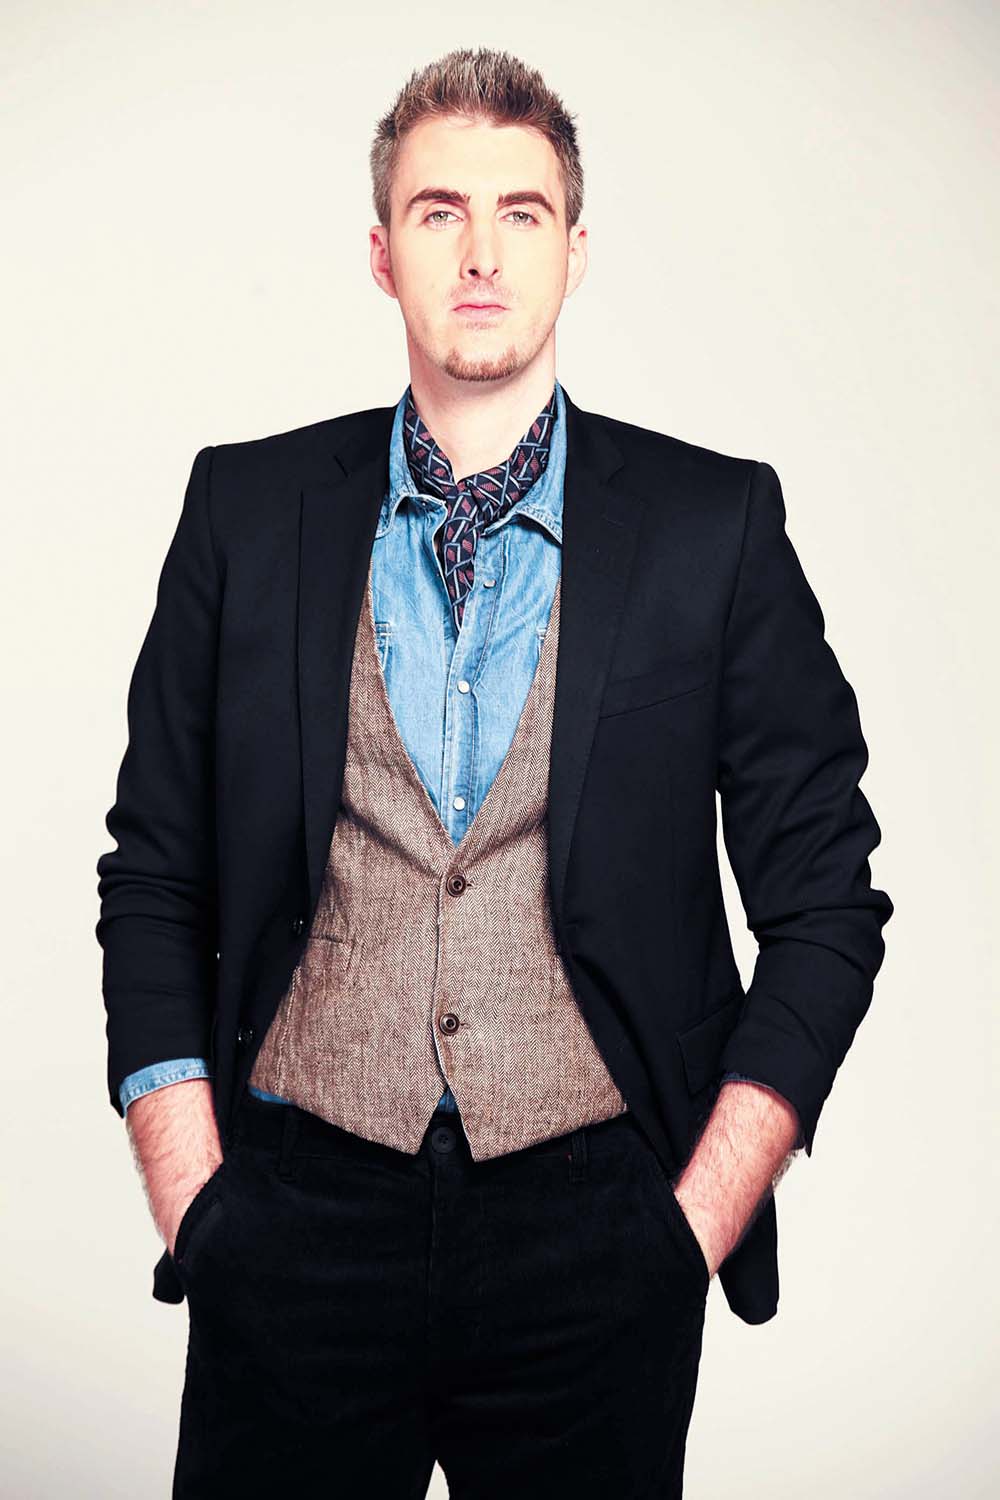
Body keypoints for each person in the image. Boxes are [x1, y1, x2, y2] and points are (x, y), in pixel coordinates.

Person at [96, 45, 893, 1499]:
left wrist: (691, 1224)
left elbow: (829, 903)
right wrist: (195, 1197)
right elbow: (153, 871)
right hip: (295, 1214)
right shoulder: (245, 510)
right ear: (381, 253)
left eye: (522, 214)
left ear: (575, 251)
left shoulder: (712, 529)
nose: (480, 254)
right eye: (439, 211)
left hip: (598, 1228)